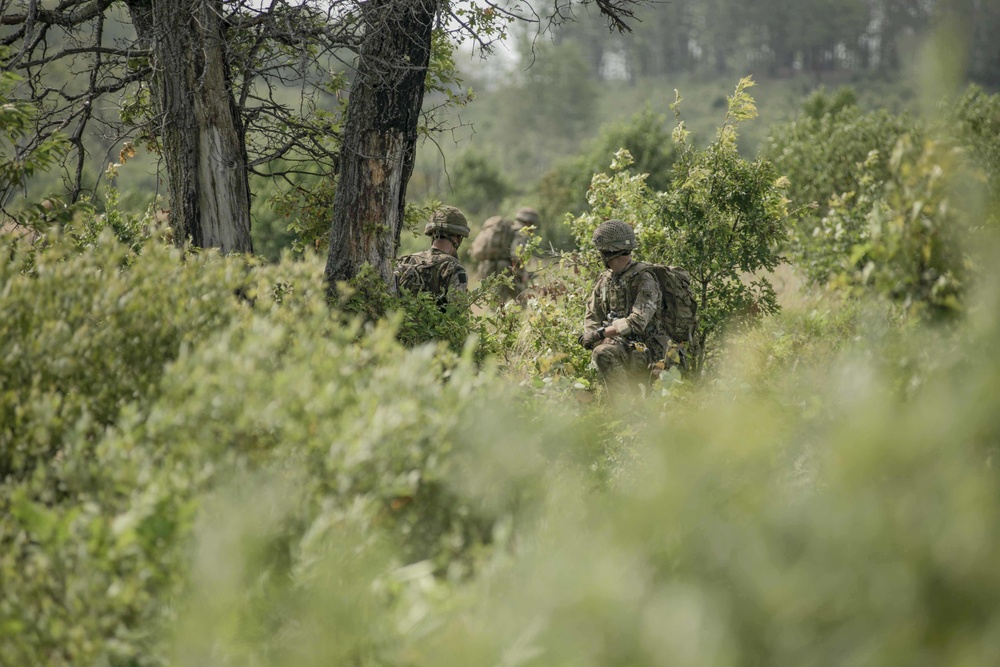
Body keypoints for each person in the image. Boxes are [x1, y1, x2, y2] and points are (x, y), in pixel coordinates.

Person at [577, 219, 669, 393]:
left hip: (648, 350)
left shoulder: (644, 279)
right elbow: (592, 315)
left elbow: (637, 322)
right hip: (619, 346)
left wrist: (600, 334)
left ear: (608, 253)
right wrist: (596, 337)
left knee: (603, 353)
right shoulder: (606, 279)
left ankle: (624, 409)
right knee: (601, 351)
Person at [394, 205, 470, 307]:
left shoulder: (407, 260)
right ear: (458, 238)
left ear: (432, 234)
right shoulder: (453, 269)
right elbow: (459, 314)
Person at [470, 206, 538, 301]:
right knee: (521, 303)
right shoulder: (522, 232)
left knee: (495, 303)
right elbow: (516, 254)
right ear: (530, 222)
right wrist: (522, 274)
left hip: (488, 267)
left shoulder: (508, 229)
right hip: (505, 271)